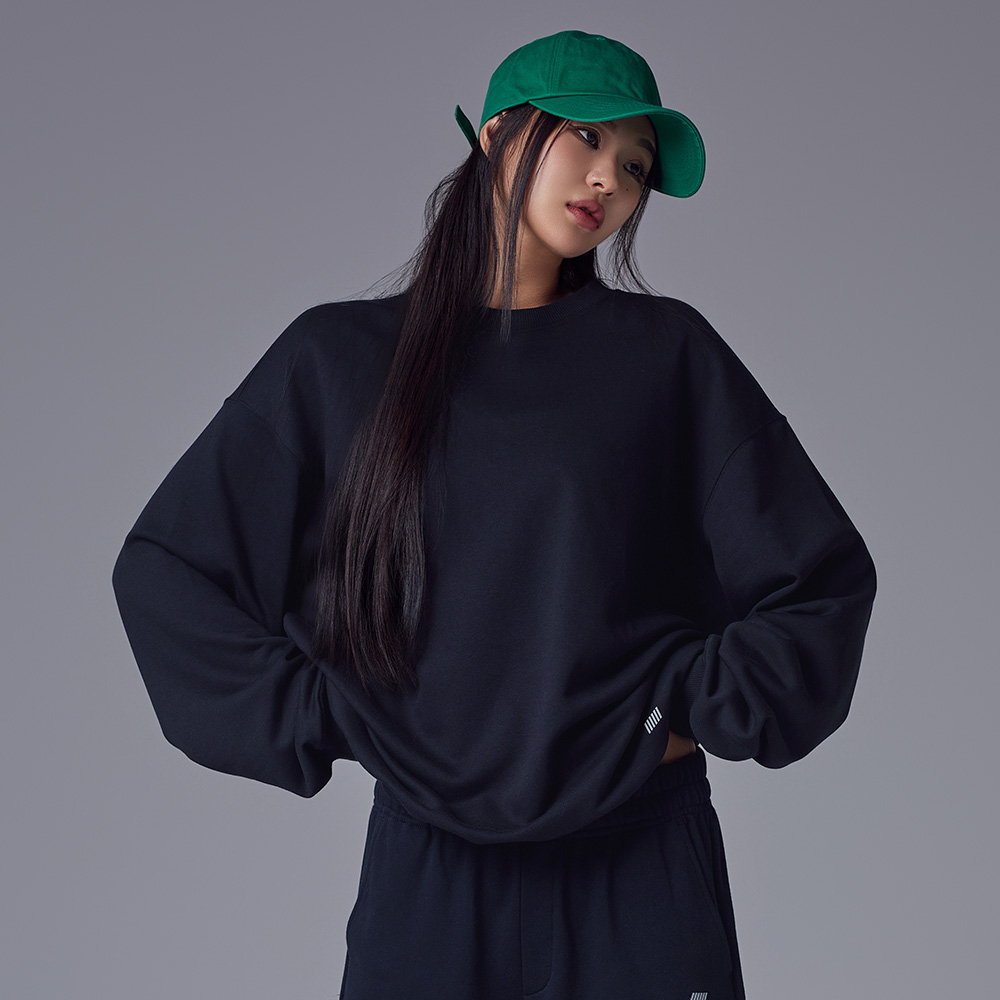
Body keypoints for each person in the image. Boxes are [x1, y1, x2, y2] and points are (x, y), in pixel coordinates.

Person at [111, 29, 877, 1000]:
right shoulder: (339, 361)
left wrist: (684, 704)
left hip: (638, 858)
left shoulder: (666, 357)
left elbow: (821, 580)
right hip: (431, 874)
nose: (608, 180)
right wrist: (333, 712)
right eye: (586, 137)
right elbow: (171, 569)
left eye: (633, 165)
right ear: (495, 135)